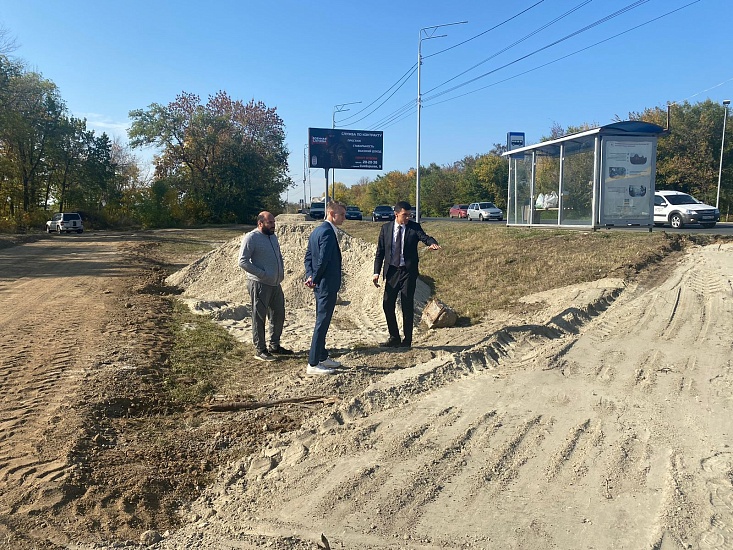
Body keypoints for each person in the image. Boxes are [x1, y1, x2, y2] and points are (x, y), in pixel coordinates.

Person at [373, 201, 441, 349]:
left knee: (407, 304)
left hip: (408, 272)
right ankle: (394, 337)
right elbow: (380, 252)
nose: (408, 217)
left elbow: (425, 237)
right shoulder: (386, 229)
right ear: (396, 214)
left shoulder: (414, 227)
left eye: (410, 215)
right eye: (405, 215)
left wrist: (432, 243)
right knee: (387, 304)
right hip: (392, 271)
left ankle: (407, 340)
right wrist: (376, 272)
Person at [237, 211, 293, 362]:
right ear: (260, 223)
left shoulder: (273, 236)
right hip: (259, 284)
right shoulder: (251, 238)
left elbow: (278, 256)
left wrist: (280, 272)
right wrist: (261, 274)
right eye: (270, 222)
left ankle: (274, 345)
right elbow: (242, 261)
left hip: (275, 284)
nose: (273, 225)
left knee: (278, 314)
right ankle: (260, 349)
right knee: (259, 316)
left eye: (274, 222)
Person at [304, 201, 346, 375]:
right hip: (325, 285)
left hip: (321, 284)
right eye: (342, 214)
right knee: (321, 323)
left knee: (323, 321)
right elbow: (323, 260)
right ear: (331, 213)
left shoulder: (317, 231)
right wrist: (315, 278)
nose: (345, 217)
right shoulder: (327, 233)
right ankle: (313, 364)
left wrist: (310, 275)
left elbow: (308, 257)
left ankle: (322, 356)